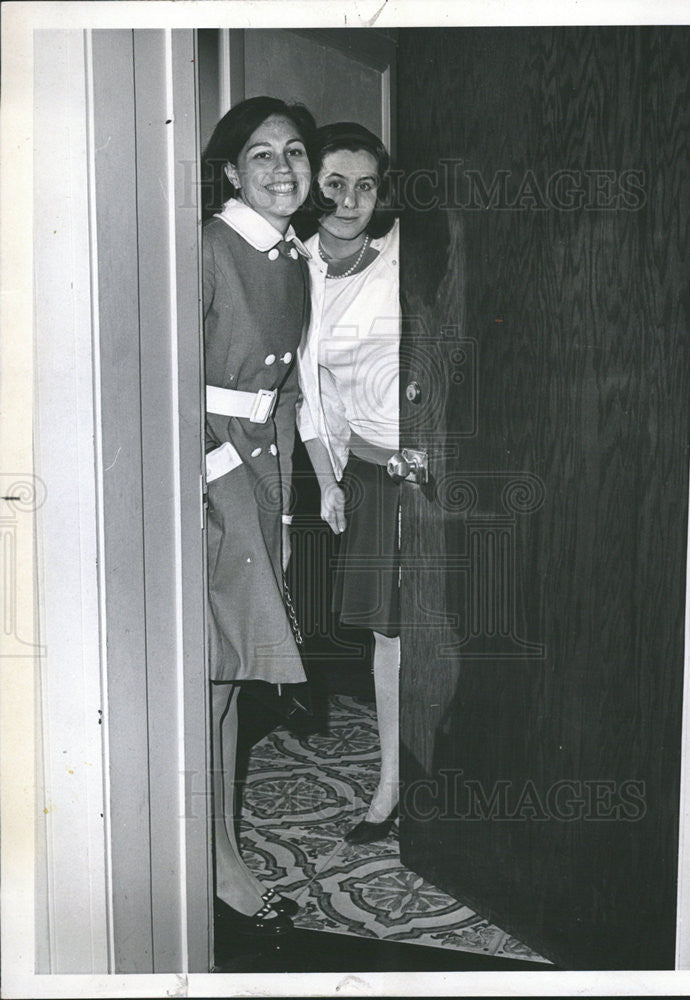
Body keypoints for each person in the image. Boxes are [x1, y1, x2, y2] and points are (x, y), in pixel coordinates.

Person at [201, 96, 314, 938]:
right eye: (263, 155)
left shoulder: (290, 257)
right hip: (207, 472)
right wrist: (218, 480)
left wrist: (283, 506)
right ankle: (211, 865)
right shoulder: (208, 247)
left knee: (231, 675)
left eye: (296, 153)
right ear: (233, 171)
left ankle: (219, 846)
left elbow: (278, 393)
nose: (283, 168)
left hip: (256, 473)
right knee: (207, 677)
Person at [296, 122, 401, 844]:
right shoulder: (294, 270)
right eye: (335, 182)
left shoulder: (401, 258)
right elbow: (312, 394)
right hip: (369, 470)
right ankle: (392, 783)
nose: (349, 198)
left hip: (434, 462)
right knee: (389, 638)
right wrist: (330, 481)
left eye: (365, 185)